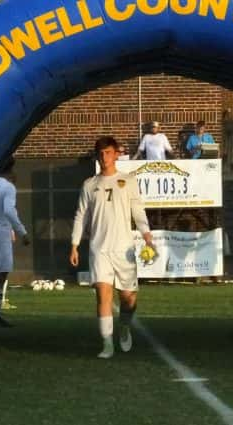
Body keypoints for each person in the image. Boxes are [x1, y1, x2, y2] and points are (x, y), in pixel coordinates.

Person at [70, 136, 153, 359]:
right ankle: (107, 344)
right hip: (99, 249)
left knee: (128, 299)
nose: (104, 157)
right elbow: (80, 216)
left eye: (108, 152)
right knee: (103, 294)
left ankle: (124, 326)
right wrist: (75, 244)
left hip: (124, 250)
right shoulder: (89, 184)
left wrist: (147, 236)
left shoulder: (128, 181)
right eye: (101, 153)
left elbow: (139, 211)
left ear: (116, 153)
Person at [0, 156, 30, 328]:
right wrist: (22, 232)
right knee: (0, 274)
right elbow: (9, 211)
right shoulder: (7, 187)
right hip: (0, 231)